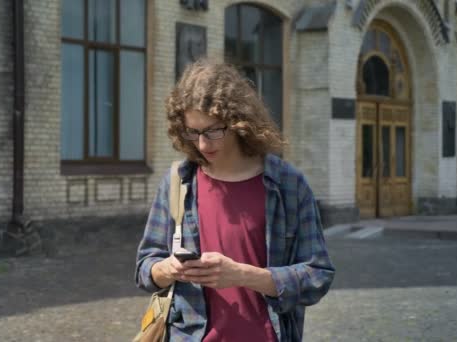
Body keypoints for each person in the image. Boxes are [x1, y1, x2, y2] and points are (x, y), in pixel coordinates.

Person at [135, 60, 335, 342]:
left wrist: (242, 274)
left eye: (213, 131)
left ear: (239, 122)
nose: (203, 144)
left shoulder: (288, 184)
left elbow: (318, 275)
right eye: (194, 132)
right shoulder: (178, 182)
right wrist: (167, 268)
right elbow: (145, 269)